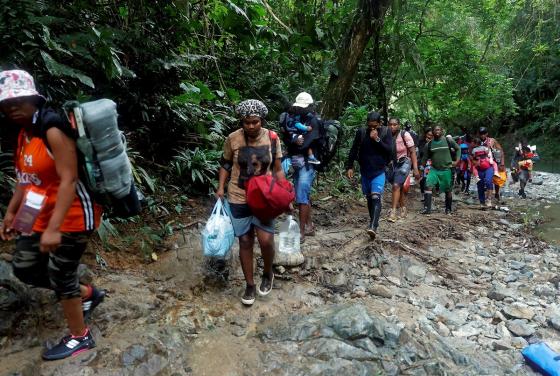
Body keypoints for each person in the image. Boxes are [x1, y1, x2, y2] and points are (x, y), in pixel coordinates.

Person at [0, 70, 104, 360]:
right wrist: (11, 214)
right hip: (38, 210)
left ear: (34, 98)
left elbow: (69, 179)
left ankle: (80, 337)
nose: (12, 108)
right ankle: (86, 294)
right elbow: (25, 179)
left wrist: (54, 229)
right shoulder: (24, 134)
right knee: (24, 266)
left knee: (61, 273)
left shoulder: (52, 128)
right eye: (6, 104)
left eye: (18, 100)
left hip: (72, 213)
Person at [216, 99, 284, 306]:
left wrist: (284, 192)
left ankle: (267, 272)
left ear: (261, 120)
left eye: (255, 122)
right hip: (238, 195)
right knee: (245, 241)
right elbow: (226, 163)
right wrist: (220, 187)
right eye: (247, 122)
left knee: (265, 240)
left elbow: (278, 168)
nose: (251, 126)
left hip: (265, 197)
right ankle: (250, 285)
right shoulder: (232, 139)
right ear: (242, 122)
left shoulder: (272, 138)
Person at [346, 111, 392, 239]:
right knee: (369, 198)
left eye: (375, 126)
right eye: (370, 126)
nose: (372, 128)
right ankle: (373, 222)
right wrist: (349, 166)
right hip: (365, 171)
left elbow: (389, 149)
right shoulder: (361, 132)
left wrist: (376, 139)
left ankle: (373, 226)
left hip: (379, 170)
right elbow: (354, 149)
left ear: (379, 123)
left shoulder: (385, 132)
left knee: (376, 196)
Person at [283, 92, 321, 242]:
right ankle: (309, 226)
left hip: (307, 163)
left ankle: (302, 231)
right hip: (295, 161)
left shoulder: (315, 121)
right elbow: (287, 136)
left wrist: (296, 141)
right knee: (302, 195)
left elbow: (310, 141)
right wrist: (293, 140)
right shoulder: (294, 118)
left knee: (301, 196)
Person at [420, 125, 459, 215]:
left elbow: (458, 149)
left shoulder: (448, 140)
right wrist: (420, 170)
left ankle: (448, 209)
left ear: (442, 131)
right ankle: (427, 209)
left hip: (446, 169)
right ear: (432, 132)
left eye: (438, 129)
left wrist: (457, 161)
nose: (437, 131)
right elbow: (424, 158)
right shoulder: (429, 144)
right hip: (434, 169)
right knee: (428, 185)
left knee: (448, 190)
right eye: (435, 130)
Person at [387, 118, 420, 221]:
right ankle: (403, 208)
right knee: (398, 187)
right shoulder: (386, 135)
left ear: (399, 125)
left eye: (395, 124)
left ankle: (393, 212)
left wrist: (415, 168)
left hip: (404, 162)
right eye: (390, 125)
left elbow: (413, 151)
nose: (392, 127)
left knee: (396, 185)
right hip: (393, 164)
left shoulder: (405, 135)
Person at [479, 127, 506, 202]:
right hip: (482, 163)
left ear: (487, 134)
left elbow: (500, 151)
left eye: (484, 134)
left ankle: (496, 193)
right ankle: (487, 196)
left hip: (493, 162)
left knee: (495, 179)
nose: (482, 135)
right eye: (481, 134)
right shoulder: (477, 142)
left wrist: (502, 163)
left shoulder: (492, 141)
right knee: (485, 180)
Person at [471, 138, 495, 208]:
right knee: (480, 184)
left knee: (488, 181)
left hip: (488, 168)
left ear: (475, 143)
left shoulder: (480, 149)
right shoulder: (475, 150)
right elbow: (474, 159)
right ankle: (482, 202)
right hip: (479, 169)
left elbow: (489, 154)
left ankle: (489, 199)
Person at [418, 127, 433, 199]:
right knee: (423, 179)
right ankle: (423, 193)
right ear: (425, 134)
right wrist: (427, 144)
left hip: (432, 163)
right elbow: (421, 152)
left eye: (431, 135)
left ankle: (429, 195)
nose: (430, 136)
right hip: (423, 163)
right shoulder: (421, 141)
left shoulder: (435, 142)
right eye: (428, 135)